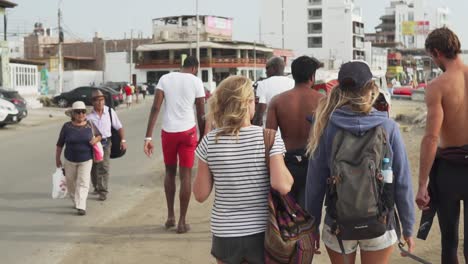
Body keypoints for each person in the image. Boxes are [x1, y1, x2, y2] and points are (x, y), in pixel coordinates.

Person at [306, 61, 415, 264]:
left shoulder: (325, 127)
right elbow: (402, 180)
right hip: (380, 222)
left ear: (339, 89)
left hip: (337, 224)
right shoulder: (388, 126)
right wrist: (408, 227)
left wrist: (312, 228)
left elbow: (314, 184)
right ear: (372, 88)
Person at [193, 75, 294, 263]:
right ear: (247, 103)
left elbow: (200, 194)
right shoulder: (268, 138)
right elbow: (282, 185)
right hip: (262, 231)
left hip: (225, 234)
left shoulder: (209, 141)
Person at [415, 27, 468, 264]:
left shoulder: (438, 85)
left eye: (431, 57)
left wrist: (422, 184)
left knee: (449, 242)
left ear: (437, 52)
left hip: (450, 173)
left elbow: (431, 138)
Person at [144, 56, 206, 234]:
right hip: (188, 132)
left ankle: (170, 216)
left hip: (168, 132)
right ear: (195, 68)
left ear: (182, 66)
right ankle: (182, 221)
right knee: (185, 175)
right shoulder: (196, 82)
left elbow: (155, 108)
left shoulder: (165, 78)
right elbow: (201, 113)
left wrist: (148, 137)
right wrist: (202, 137)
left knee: (170, 172)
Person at [266, 55, 324, 208]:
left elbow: (269, 139)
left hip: (286, 164)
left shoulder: (277, 101)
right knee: (310, 217)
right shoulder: (322, 101)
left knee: (287, 216)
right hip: (312, 164)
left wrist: (270, 169)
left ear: (293, 74)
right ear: (312, 77)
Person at [56, 101, 101, 215]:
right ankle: (76, 200)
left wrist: (95, 140)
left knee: (83, 182)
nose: (81, 114)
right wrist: (57, 158)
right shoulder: (67, 127)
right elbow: (60, 144)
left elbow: (99, 135)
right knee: (71, 183)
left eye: (83, 112)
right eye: (78, 112)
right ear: (73, 114)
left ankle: (81, 206)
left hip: (86, 159)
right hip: (70, 160)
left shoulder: (90, 125)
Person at [87, 89, 127, 201]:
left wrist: (123, 140)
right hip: (94, 144)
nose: (100, 103)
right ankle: (97, 186)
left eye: (102, 100)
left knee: (104, 166)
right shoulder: (89, 117)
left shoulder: (109, 112)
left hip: (106, 142)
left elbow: (119, 127)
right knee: (94, 167)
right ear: (93, 102)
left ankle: (103, 191)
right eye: (97, 100)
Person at [252, 56, 295, 126]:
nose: (266, 72)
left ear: (274, 68)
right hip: (289, 130)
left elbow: (259, 114)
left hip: (268, 132)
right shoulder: (293, 83)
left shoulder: (263, 84)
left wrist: (254, 132)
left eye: (267, 68)